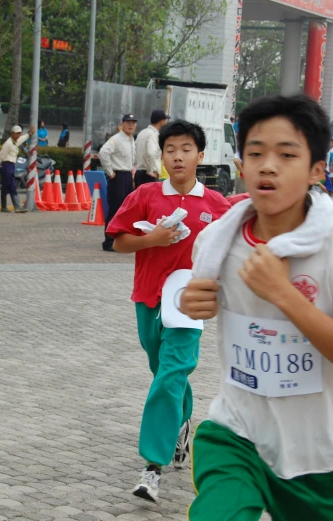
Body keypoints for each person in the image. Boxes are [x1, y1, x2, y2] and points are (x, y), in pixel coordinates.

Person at [179, 94, 333, 521]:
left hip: (317, 458)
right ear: (241, 164)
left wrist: (285, 295)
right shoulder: (217, 242)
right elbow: (203, 299)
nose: (268, 165)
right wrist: (190, 300)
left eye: (287, 154)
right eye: (255, 153)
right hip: (236, 434)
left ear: (318, 169)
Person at [106, 120, 231, 502]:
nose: (178, 156)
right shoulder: (144, 194)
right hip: (148, 297)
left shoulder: (216, 206)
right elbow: (118, 243)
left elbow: (233, 252)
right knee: (163, 371)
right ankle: (181, 421)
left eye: (186, 149)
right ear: (162, 156)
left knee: (170, 374)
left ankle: (151, 467)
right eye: (171, 149)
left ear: (200, 156)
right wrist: (152, 239)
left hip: (188, 303)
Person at [99, 114, 138, 252]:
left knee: (126, 209)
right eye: (128, 122)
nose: (131, 125)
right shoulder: (116, 139)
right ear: (122, 124)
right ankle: (108, 241)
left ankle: (121, 239)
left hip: (127, 175)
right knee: (115, 209)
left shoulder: (131, 139)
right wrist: (109, 171)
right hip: (118, 176)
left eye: (133, 123)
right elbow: (103, 153)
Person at [0, 125, 34, 213]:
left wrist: (30, 134)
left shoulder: (15, 141)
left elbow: (22, 139)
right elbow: (1, 156)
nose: (18, 135)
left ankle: (5, 206)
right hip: (6, 165)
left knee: (6, 186)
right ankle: (17, 206)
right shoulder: (8, 143)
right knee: (11, 185)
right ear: (12, 133)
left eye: (19, 134)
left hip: (11, 165)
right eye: (16, 133)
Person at [134, 109, 168, 188]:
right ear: (162, 121)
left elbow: (134, 151)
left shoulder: (142, 132)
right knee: (149, 199)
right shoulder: (153, 134)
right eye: (165, 120)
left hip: (139, 172)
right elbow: (152, 153)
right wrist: (151, 170)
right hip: (148, 174)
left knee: (140, 198)